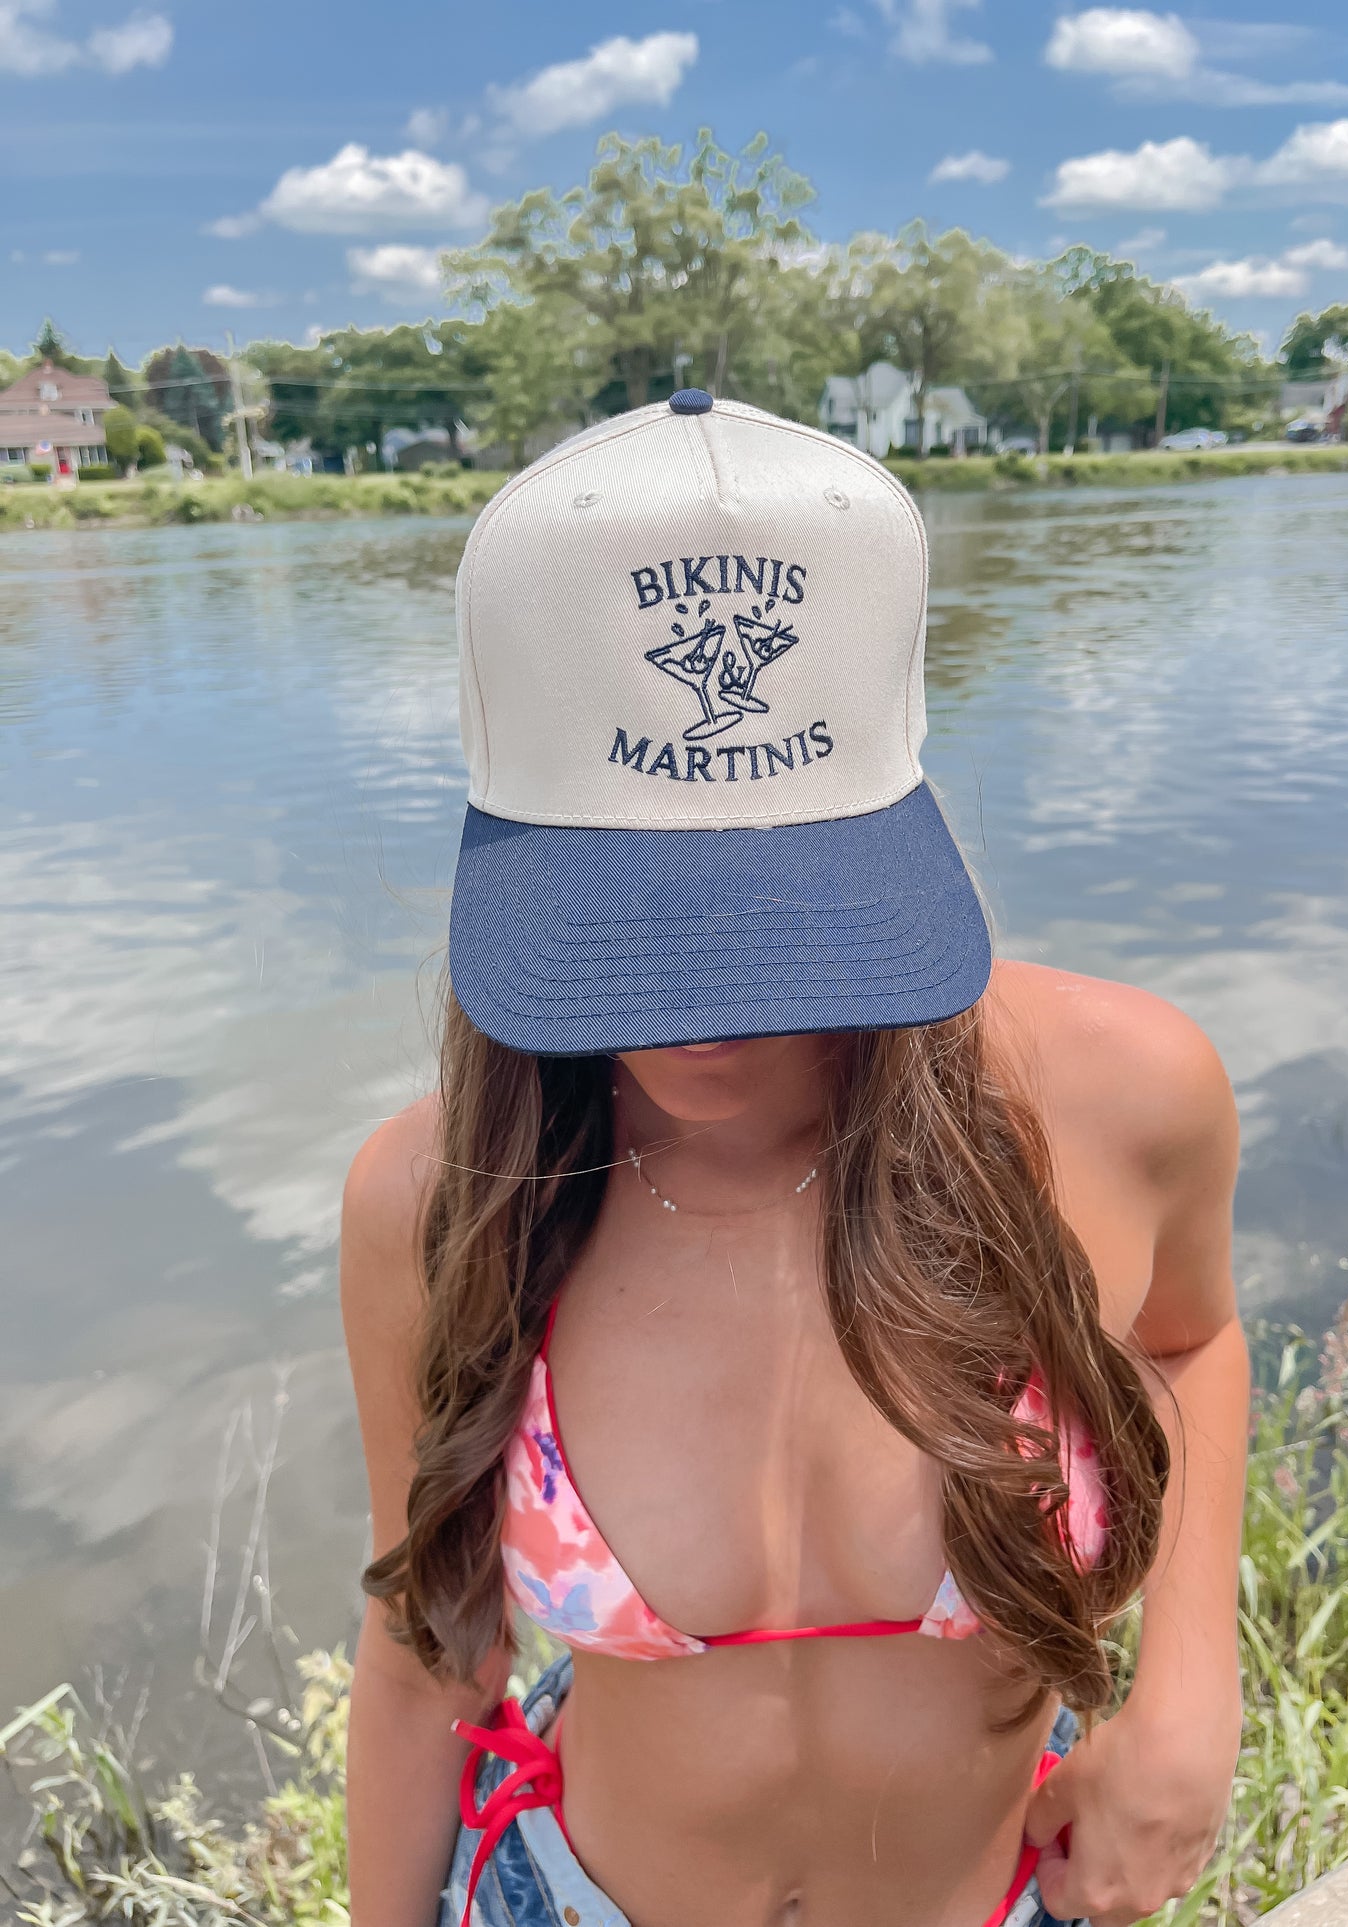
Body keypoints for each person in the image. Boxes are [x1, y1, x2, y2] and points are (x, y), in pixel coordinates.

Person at [340, 392, 1248, 1927]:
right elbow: (430, 1645)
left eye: (781, 913)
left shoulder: (1118, 1094)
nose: (710, 1013)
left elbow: (1191, 1336)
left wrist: (1186, 1696)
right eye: (630, 923)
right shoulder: (439, 1202)